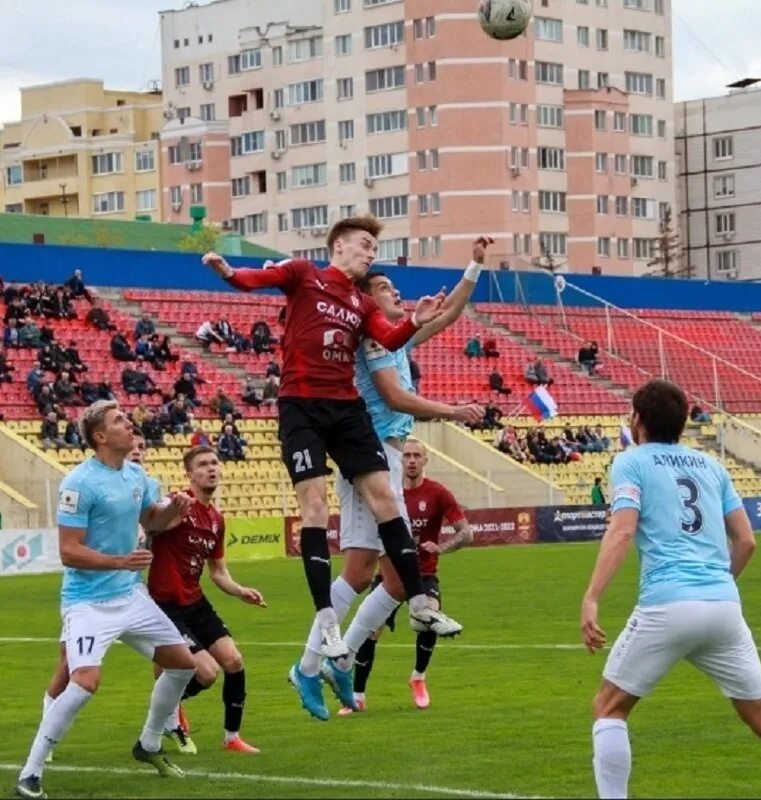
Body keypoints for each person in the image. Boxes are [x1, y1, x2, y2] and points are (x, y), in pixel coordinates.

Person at [201, 216, 456, 665]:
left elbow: (392, 337)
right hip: (302, 406)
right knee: (315, 507)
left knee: (386, 499)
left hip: (346, 408)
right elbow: (255, 280)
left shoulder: (361, 303)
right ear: (337, 246)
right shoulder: (305, 274)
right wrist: (227, 272)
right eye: (363, 245)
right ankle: (326, 621)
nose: (369, 253)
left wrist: (416, 318)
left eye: (374, 249)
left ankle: (420, 604)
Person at [579, 379, 761, 800]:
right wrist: (714, 587)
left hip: (668, 602)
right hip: (722, 606)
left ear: (636, 419)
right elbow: (747, 541)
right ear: (682, 422)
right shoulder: (711, 466)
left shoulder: (631, 462)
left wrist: (591, 598)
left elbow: (622, 531)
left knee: (609, 708)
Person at [290, 241, 489, 719]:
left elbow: (448, 317)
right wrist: (453, 411)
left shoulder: (392, 336)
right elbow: (394, 398)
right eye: (384, 287)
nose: (395, 292)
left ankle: (336, 660)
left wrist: (475, 265)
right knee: (361, 573)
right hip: (370, 457)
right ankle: (311, 663)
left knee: (394, 582)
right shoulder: (367, 338)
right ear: (363, 300)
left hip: (386, 458)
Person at [14, 401, 196, 800]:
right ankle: (31, 773)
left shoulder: (135, 474)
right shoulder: (79, 483)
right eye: (119, 421)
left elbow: (152, 521)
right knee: (84, 681)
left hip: (129, 594)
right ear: (100, 437)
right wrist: (119, 560)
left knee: (184, 665)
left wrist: (174, 512)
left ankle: (148, 744)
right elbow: (68, 551)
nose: (128, 423)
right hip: (87, 601)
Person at [145, 445, 266, 755]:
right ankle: (168, 713)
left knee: (234, 661)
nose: (211, 468)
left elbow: (218, 572)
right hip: (165, 604)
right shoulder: (176, 502)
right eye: (203, 465)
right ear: (190, 474)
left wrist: (241, 591)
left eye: (214, 463)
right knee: (207, 673)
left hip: (195, 602)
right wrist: (167, 520)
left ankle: (232, 738)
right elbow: (150, 525)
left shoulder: (216, 519)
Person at [339, 440, 474, 715]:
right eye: (407, 455)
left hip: (423, 575)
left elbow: (466, 532)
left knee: (429, 621)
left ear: (425, 461)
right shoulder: (388, 492)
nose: (411, 460)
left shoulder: (438, 493)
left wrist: (442, 547)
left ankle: (418, 677)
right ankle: (357, 696)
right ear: (399, 460)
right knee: (369, 631)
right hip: (389, 575)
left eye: (417, 456)